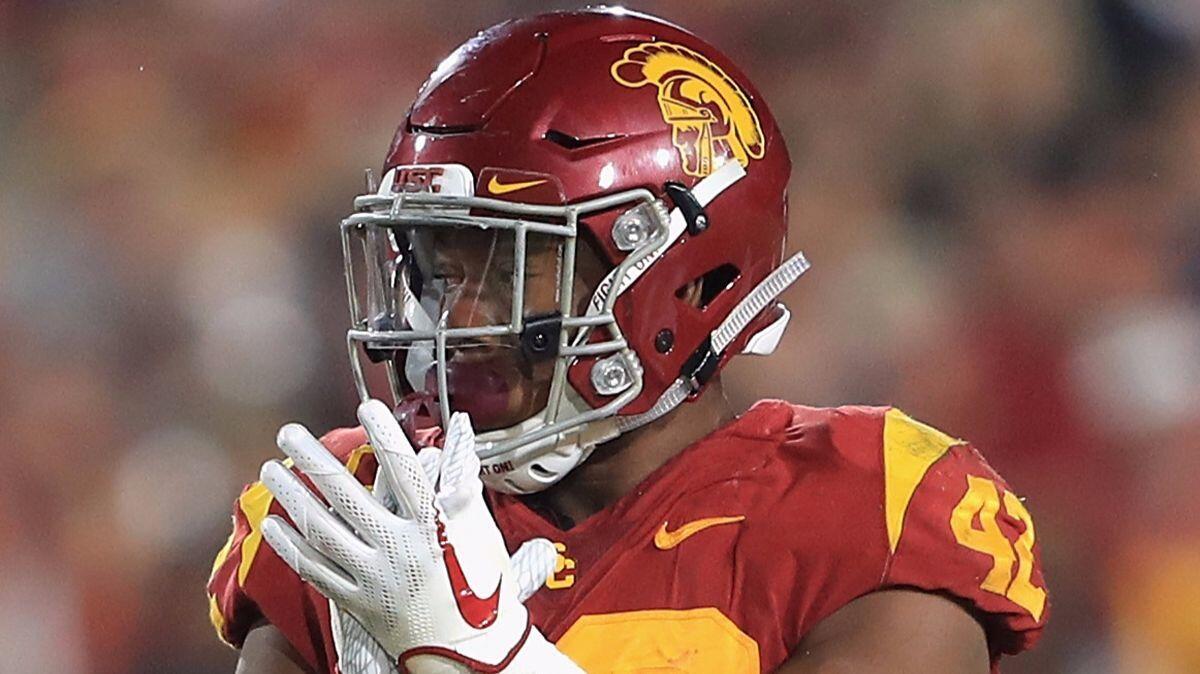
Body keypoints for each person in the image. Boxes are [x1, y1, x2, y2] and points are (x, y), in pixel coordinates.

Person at [207, 8, 1048, 673]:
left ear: (681, 280)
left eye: (507, 271)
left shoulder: (873, 510)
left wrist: (488, 664)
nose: (453, 322)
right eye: (435, 271)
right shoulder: (356, 510)